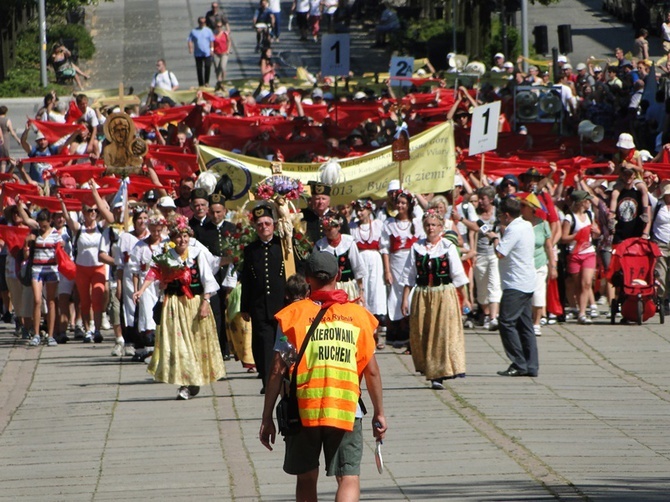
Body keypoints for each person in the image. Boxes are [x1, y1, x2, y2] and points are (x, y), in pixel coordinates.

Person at [259, 251, 387, 501]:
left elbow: (277, 370)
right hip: (346, 408)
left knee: (306, 477)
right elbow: (371, 370)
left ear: (307, 279)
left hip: (304, 408)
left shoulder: (292, 316)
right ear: (338, 276)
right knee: (348, 477)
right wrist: (379, 412)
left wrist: (266, 417)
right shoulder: (358, 316)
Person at [133, 214, 226, 400]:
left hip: (194, 304)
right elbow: (153, 273)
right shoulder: (167, 256)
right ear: (173, 238)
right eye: (178, 236)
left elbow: (208, 279)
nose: (182, 240)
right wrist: (141, 290)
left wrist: (206, 302)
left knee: (196, 344)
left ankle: (193, 381)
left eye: (185, 236)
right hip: (174, 305)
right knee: (180, 346)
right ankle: (185, 383)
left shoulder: (196, 254)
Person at [400, 209, 470, 389]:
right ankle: (429, 368)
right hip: (423, 294)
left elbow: (458, 276)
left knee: (441, 333)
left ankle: (439, 373)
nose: (431, 228)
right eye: (428, 225)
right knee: (423, 332)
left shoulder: (448, 247)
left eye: (434, 225)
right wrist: (405, 299)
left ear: (440, 227)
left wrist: (466, 299)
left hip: (443, 293)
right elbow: (409, 276)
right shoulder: (417, 248)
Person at [485, 196, 538, 377]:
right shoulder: (526, 225)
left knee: (506, 322)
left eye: (500, 216)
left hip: (515, 283)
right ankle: (531, 365)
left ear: (506, 216)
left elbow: (500, 252)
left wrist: (494, 238)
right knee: (525, 325)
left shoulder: (514, 229)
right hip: (527, 281)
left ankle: (518, 362)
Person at [240, 203, 288, 392]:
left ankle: (285, 378)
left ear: (274, 225)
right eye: (260, 224)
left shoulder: (283, 245)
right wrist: (245, 306)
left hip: (281, 304)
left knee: (283, 343)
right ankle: (269, 382)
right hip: (259, 305)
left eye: (267, 223)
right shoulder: (251, 250)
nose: (264, 227)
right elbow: (247, 279)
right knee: (262, 345)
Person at [380, 189, 424, 349]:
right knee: (397, 296)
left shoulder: (417, 223)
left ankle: (413, 340)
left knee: (412, 296)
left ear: (410, 205)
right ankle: (400, 335)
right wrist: (387, 270)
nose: (400, 205)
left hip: (412, 262)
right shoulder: (389, 224)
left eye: (403, 203)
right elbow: (384, 249)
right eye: (398, 202)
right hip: (396, 263)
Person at [349, 198, 387, 348]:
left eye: (362, 209)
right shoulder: (352, 227)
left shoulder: (378, 225)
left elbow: (384, 248)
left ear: (369, 210)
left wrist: (387, 270)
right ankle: (366, 333)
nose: (360, 213)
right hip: (360, 260)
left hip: (375, 262)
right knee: (362, 295)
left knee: (375, 294)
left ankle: (379, 332)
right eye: (357, 210)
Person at [561, 190, 600, 325]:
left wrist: (596, 232)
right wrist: (577, 235)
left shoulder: (590, 214)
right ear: (581, 202)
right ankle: (578, 308)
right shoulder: (569, 218)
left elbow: (596, 233)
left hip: (589, 252)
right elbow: (563, 238)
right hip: (574, 253)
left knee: (587, 283)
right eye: (587, 201)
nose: (589, 203)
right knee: (578, 284)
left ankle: (583, 313)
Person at [187, 17, 215, 87]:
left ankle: (206, 82)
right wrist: (190, 48)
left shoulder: (208, 30)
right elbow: (189, 40)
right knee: (199, 69)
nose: (202, 24)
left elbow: (212, 40)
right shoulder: (194, 31)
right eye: (201, 22)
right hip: (198, 53)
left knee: (207, 66)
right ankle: (201, 83)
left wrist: (212, 49)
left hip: (207, 52)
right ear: (198, 22)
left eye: (204, 22)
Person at [0, 106, 22, 173]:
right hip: (5, 140)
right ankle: (2, 175)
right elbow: (12, 132)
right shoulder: (7, 120)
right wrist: (18, 139)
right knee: (4, 159)